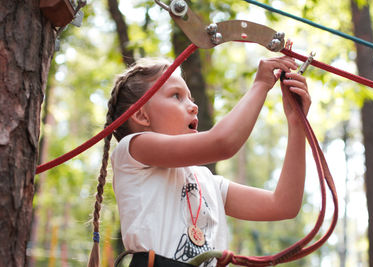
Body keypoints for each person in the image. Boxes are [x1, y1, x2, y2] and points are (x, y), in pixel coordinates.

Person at [88, 55, 311, 267]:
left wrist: (296, 123)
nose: (194, 106)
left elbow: (283, 204)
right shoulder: (134, 149)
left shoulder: (209, 183)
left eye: (191, 98)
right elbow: (222, 143)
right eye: (176, 95)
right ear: (141, 115)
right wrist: (261, 85)